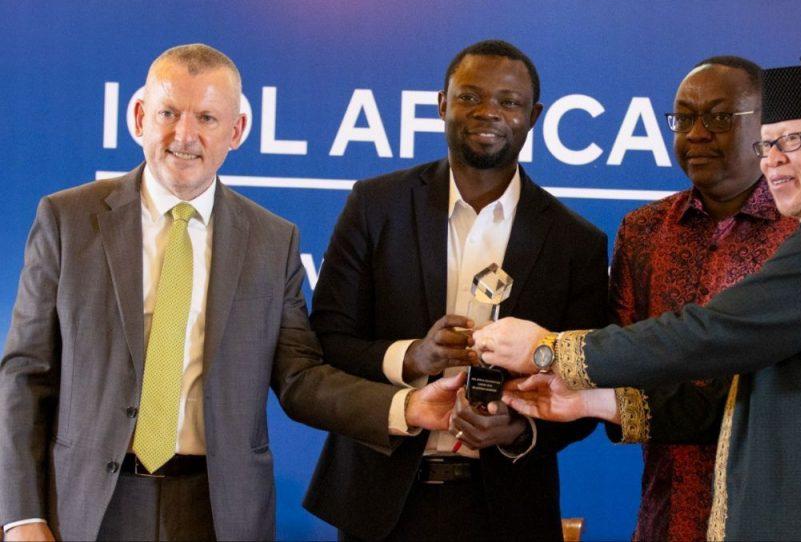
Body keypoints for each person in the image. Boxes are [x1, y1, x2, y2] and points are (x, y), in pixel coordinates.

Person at [0, 43, 463, 542]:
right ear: (139, 117)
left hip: (219, 512)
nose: (185, 135)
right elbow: (26, 376)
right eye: (168, 113)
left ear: (237, 130)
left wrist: (406, 408)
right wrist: (22, 516)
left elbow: (300, 378)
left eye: (207, 118)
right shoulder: (67, 220)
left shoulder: (271, 240)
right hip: (88, 506)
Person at [474, 63, 801, 541]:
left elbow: (708, 335)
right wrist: (589, 400)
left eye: (792, 141)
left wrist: (548, 350)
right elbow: (722, 399)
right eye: (768, 144)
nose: (772, 160)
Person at [302, 39, 607, 542]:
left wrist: (518, 430)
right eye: (469, 96)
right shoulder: (375, 206)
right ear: (443, 103)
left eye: (508, 102)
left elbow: (584, 380)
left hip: (508, 509)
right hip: (380, 505)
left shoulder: (576, 242)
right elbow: (328, 341)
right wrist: (411, 357)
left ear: (533, 116)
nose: (487, 112)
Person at [608, 56, 798, 541]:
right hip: (666, 517)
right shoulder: (643, 231)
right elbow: (616, 362)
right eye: (684, 117)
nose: (696, 133)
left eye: (718, 118)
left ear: (766, 125)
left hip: (774, 516)